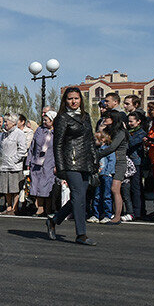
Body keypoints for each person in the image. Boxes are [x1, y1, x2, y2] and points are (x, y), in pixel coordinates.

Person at [47, 86, 97, 245]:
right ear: (65, 101)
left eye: (76, 98)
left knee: (79, 197)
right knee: (78, 196)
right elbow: (58, 145)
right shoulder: (62, 118)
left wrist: (94, 161)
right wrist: (60, 167)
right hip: (70, 161)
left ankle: (54, 220)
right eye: (70, 98)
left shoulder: (86, 116)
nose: (73, 101)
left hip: (85, 161)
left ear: (81, 100)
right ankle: (81, 234)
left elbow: (90, 141)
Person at [0, 113, 29, 214]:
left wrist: (13, 160)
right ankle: (8, 207)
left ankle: (15, 207)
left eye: (6, 122)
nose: (4, 124)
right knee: (6, 188)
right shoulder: (5, 134)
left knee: (15, 188)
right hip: (4, 165)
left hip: (14, 166)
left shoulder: (19, 133)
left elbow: (22, 150)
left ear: (13, 123)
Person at [27, 110, 57, 216]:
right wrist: (29, 161)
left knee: (47, 186)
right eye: (43, 120)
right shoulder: (40, 130)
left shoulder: (57, 132)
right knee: (37, 185)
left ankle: (48, 209)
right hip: (37, 162)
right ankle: (39, 208)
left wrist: (58, 165)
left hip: (50, 162)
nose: (44, 122)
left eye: (46, 120)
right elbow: (32, 146)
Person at [124, 110, 146, 221]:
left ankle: (138, 211)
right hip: (129, 162)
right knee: (129, 187)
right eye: (128, 121)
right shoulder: (130, 131)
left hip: (136, 162)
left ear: (138, 122)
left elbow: (131, 143)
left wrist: (125, 132)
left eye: (132, 121)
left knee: (136, 187)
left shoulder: (141, 133)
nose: (129, 124)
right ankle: (133, 210)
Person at [92, 130, 116, 223]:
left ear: (102, 140)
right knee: (97, 195)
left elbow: (111, 161)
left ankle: (107, 214)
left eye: (96, 139)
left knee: (107, 195)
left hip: (106, 175)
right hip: (98, 175)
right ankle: (96, 214)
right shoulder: (97, 150)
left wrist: (108, 172)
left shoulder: (108, 150)